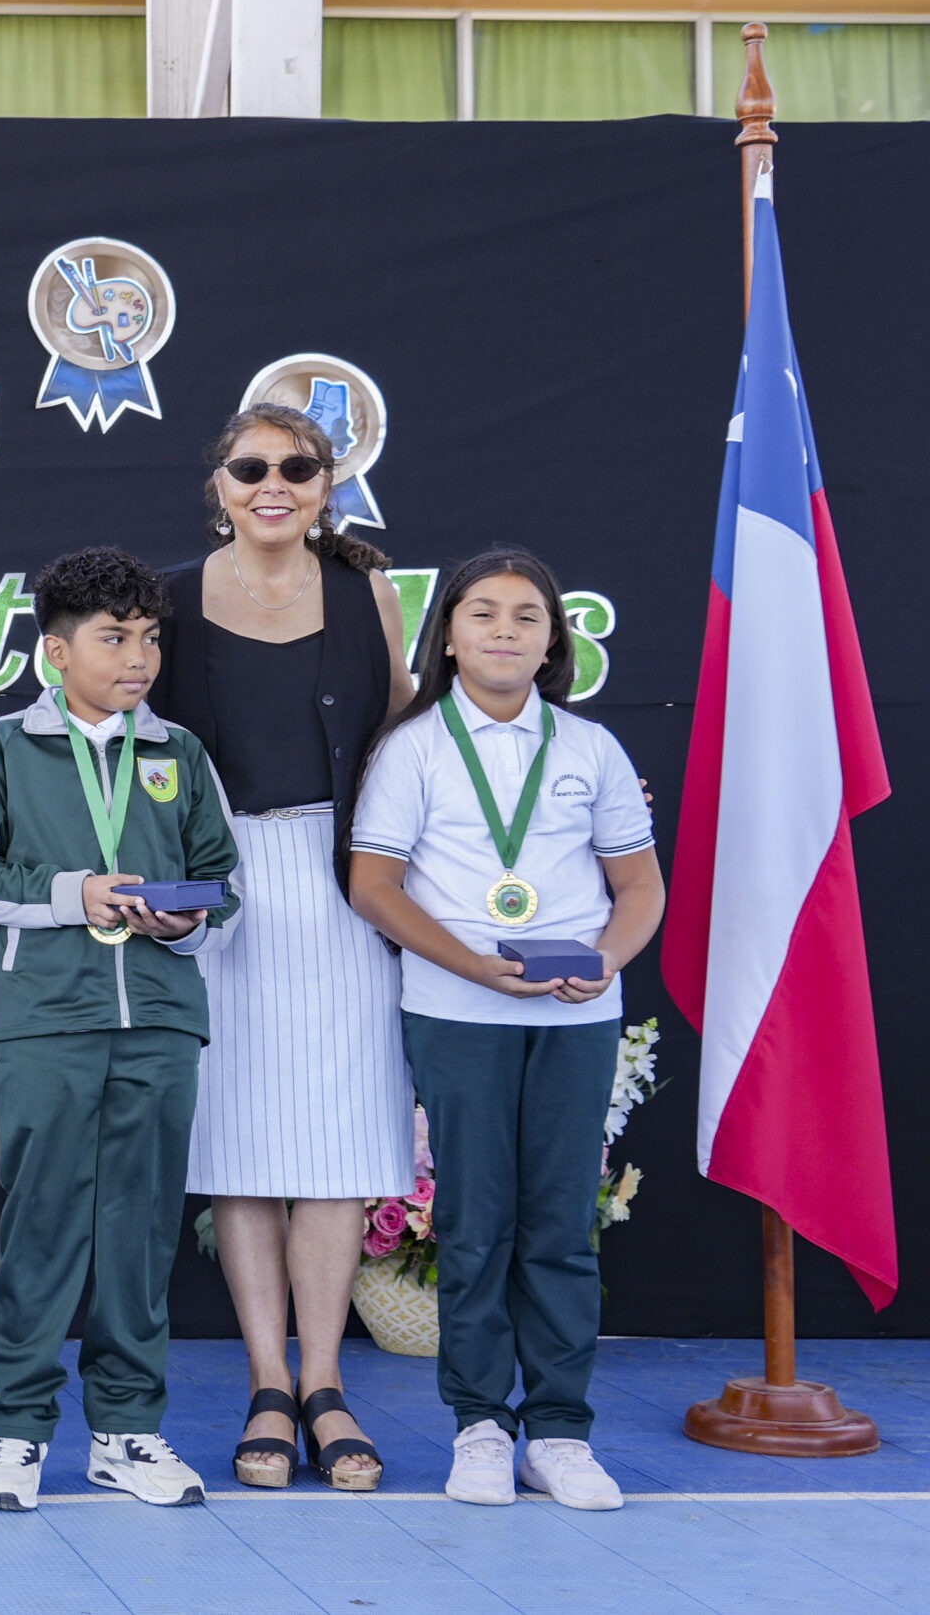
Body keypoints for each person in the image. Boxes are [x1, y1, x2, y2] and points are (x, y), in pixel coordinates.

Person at [348, 547, 663, 1513]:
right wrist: (471, 964)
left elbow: (640, 885)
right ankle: (481, 1424)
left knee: (561, 1224)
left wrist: (607, 958)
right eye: (482, 613)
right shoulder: (412, 747)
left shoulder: (590, 748)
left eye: (528, 616)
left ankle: (560, 1433)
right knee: (478, 1224)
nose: (504, 631)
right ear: (447, 634)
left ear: (553, 641)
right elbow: (372, 884)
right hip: (457, 1009)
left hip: (576, 1015)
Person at [0, 548, 241, 1511]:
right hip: (44, 1022)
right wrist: (77, 895)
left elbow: (222, 880)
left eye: (150, 637)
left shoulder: (179, 753)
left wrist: (188, 916)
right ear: (55, 651)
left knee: (142, 1232)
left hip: (158, 1018)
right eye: (114, 638)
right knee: (43, 1227)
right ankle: (17, 1433)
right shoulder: (5, 748)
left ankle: (128, 1431)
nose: (138, 657)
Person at [154, 402, 418, 1491]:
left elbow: (412, 736)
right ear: (218, 483)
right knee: (240, 1150)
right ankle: (268, 1381)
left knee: (335, 1150)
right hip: (216, 895)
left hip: (341, 884)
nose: (275, 482)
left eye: (298, 466)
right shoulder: (164, 601)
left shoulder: (369, 592)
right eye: (251, 466)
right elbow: (113, 741)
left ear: (326, 482)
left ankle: (325, 1386)